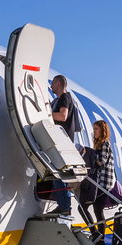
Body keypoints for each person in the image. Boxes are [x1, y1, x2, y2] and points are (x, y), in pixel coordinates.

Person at [45, 74, 79, 217]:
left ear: (58, 84)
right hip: (59, 141)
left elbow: (63, 116)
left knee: (59, 175)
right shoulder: (58, 100)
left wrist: (46, 114)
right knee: (58, 176)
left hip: (61, 142)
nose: (51, 86)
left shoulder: (65, 97)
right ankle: (63, 206)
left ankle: (64, 207)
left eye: (53, 83)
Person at [78, 119, 115, 242]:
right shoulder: (101, 144)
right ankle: (100, 238)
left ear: (102, 130)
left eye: (96, 129)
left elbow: (101, 162)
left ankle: (96, 234)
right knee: (98, 211)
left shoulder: (104, 144)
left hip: (102, 183)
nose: (94, 132)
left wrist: (88, 153)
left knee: (83, 207)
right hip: (102, 183)